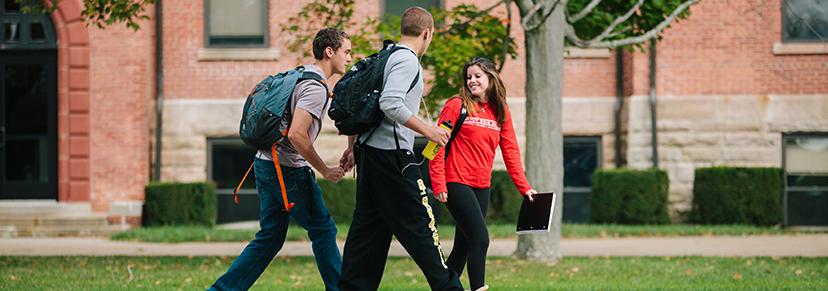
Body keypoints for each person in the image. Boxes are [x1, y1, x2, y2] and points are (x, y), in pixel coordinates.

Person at [209, 27, 352, 291]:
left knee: (270, 237)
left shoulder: (299, 75)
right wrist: (323, 169)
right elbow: (298, 135)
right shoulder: (315, 88)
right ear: (329, 52)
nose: (350, 58)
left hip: (264, 163)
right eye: (346, 51)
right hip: (288, 170)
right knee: (323, 231)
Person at [337, 7, 464, 291]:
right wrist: (429, 130)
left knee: (366, 237)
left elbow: (363, 103)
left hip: (370, 155)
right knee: (423, 230)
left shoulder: (386, 56)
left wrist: (353, 145)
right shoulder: (407, 61)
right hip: (393, 159)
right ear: (427, 33)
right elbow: (390, 103)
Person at [429, 57, 537, 291]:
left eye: (477, 76)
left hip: (481, 185)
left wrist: (524, 187)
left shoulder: (500, 111)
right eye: (469, 77)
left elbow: (510, 151)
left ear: (491, 77)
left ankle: (443, 288)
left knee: (464, 246)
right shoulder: (456, 105)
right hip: (456, 181)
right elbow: (436, 146)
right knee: (480, 238)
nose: (472, 81)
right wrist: (438, 183)